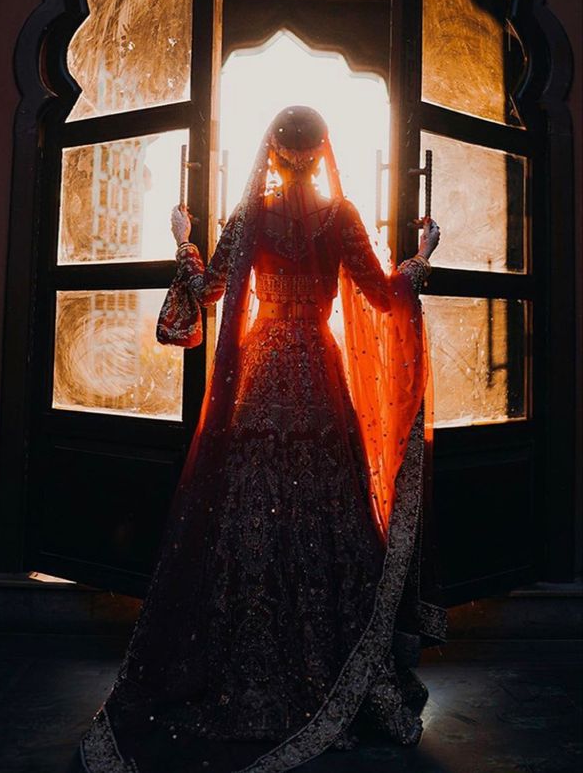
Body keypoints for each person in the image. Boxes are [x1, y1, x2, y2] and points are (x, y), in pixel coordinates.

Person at [80, 106, 444, 773]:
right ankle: (338, 671)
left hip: (261, 373)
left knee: (249, 513)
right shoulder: (341, 217)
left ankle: (245, 665)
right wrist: (422, 258)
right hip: (320, 375)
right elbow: (385, 294)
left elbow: (205, 289)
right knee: (326, 512)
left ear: (274, 154)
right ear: (322, 150)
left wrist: (182, 239)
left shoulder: (251, 217)